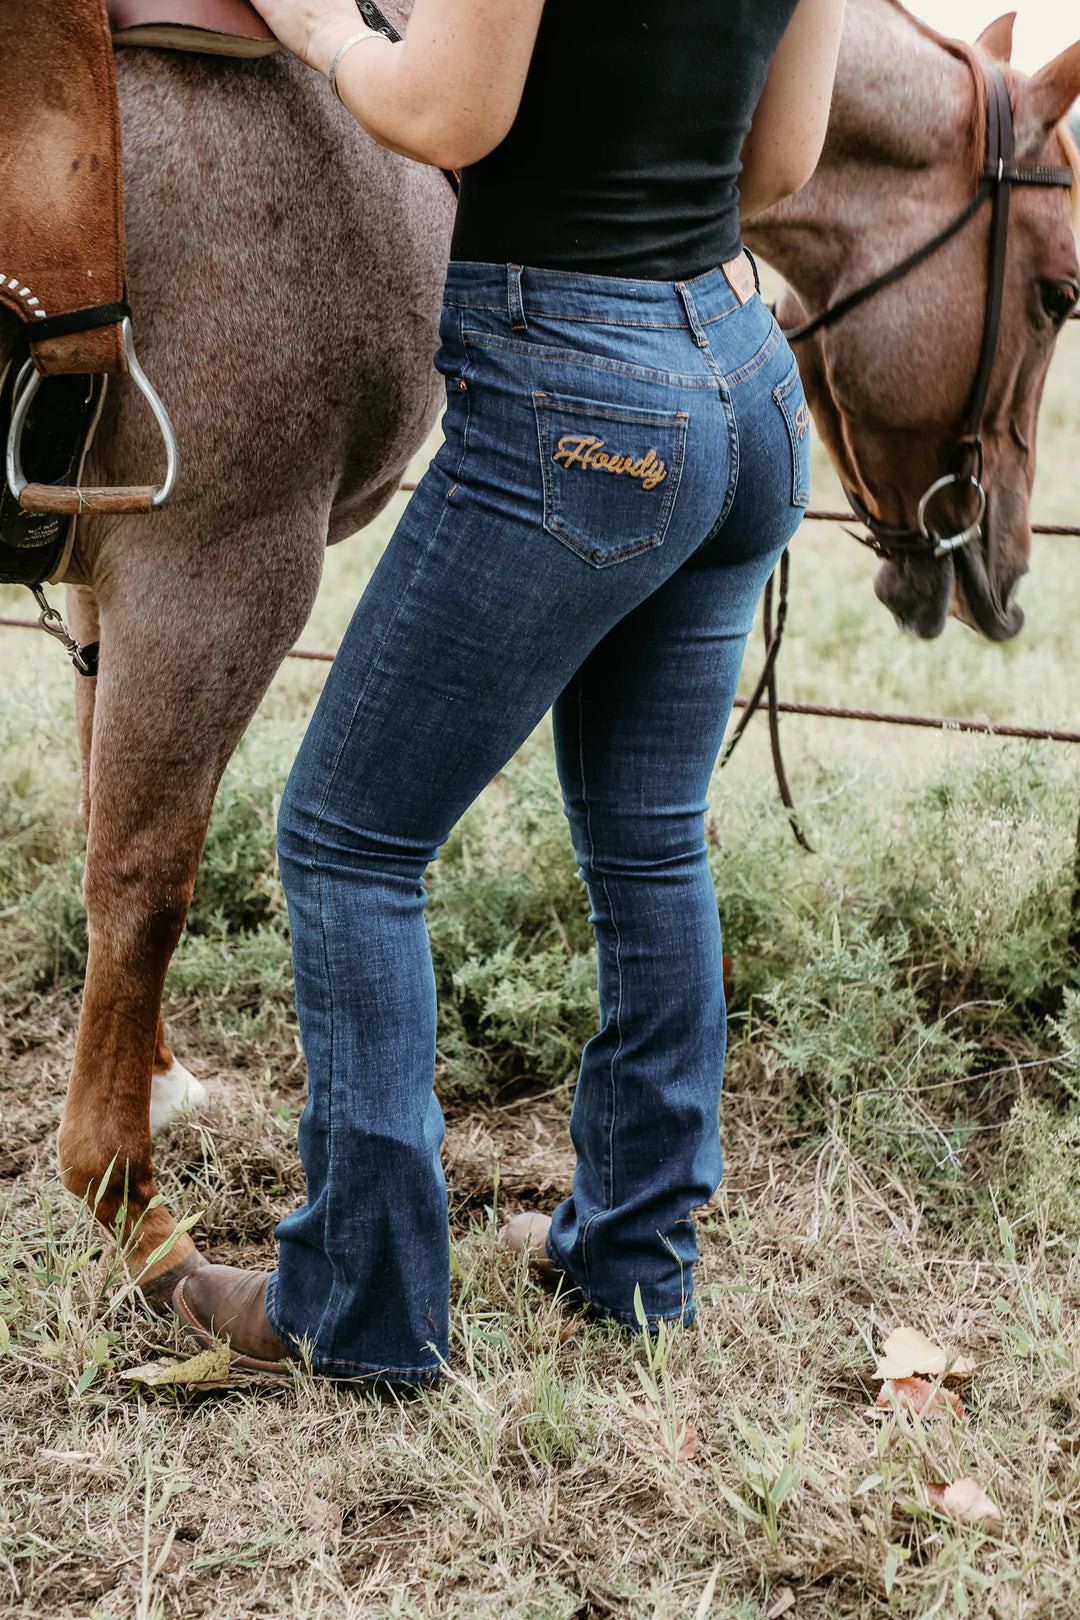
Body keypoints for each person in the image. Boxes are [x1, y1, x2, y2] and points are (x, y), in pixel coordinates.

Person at [173, 0, 845, 1383]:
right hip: (742, 371)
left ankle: (358, 1307)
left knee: (347, 840)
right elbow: (778, 165)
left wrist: (312, 24)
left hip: (577, 392)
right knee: (650, 834)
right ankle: (634, 1262)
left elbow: (445, 115)